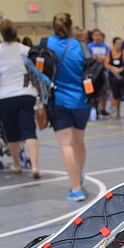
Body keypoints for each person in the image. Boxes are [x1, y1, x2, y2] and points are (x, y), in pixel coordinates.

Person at [43, 13, 91, 201]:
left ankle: (76, 188)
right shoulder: (80, 46)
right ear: (71, 27)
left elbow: (37, 68)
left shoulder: (46, 43)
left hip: (59, 101)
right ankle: (78, 174)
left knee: (66, 145)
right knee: (79, 142)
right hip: (81, 101)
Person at [0, 19, 41, 177]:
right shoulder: (25, 49)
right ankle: (35, 166)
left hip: (4, 96)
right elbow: (33, 73)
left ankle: (16, 164)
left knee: (12, 133)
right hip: (25, 94)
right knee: (29, 130)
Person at [87, 29, 110, 116]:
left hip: (103, 71)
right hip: (93, 72)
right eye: (95, 35)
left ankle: (103, 108)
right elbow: (91, 58)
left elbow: (107, 58)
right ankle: (92, 107)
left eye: (99, 35)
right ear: (92, 36)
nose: (97, 37)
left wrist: (99, 58)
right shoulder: (89, 46)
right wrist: (98, 58)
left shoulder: (105, 47)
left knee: (104, 91)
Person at [106, 37, 124, 119]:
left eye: (121, 43)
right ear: (114, 44)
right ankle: (117, 112)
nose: (119, 45)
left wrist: (121, 69)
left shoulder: (123, 53)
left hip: (122, 76)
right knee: (115, 94)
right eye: (118, 43)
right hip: (113, 76)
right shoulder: (110, 53)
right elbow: (106, 64)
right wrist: (114, 69)